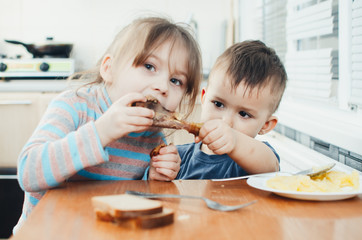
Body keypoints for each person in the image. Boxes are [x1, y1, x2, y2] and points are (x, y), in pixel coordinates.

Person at [14, 16, 202, 232]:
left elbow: (129, 196)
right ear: (108, 69)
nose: (163, 87)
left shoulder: (154, 137)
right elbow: (29, 173)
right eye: (149, 66)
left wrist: (153, 177)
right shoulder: (74, 106)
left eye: (176, 81)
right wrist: (101, 132)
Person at [174, 40, 287, 179]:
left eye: (244, 114)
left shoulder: (258, 160)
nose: (226, 122)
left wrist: (235, 141)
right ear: (204, 98)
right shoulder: (179, 158)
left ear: (266, 125)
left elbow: (271, 167)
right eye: (218, 104)